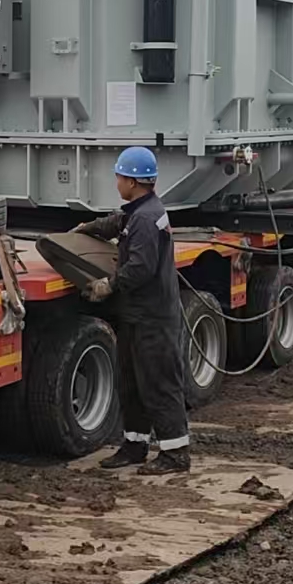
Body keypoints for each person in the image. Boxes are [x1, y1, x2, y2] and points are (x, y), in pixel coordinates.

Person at [73, 146, 190, 475]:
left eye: (119, 177)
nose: (117, 182)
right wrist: (89, 227)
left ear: (133, 182)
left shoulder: (146, 218)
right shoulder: (140, 211)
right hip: (138, 316)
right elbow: (117, 223)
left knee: (159, 384)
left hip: (154, 319)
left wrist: (107, 286)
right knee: (133, 384)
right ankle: (134, 445)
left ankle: (176, 454)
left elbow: (140, 268)